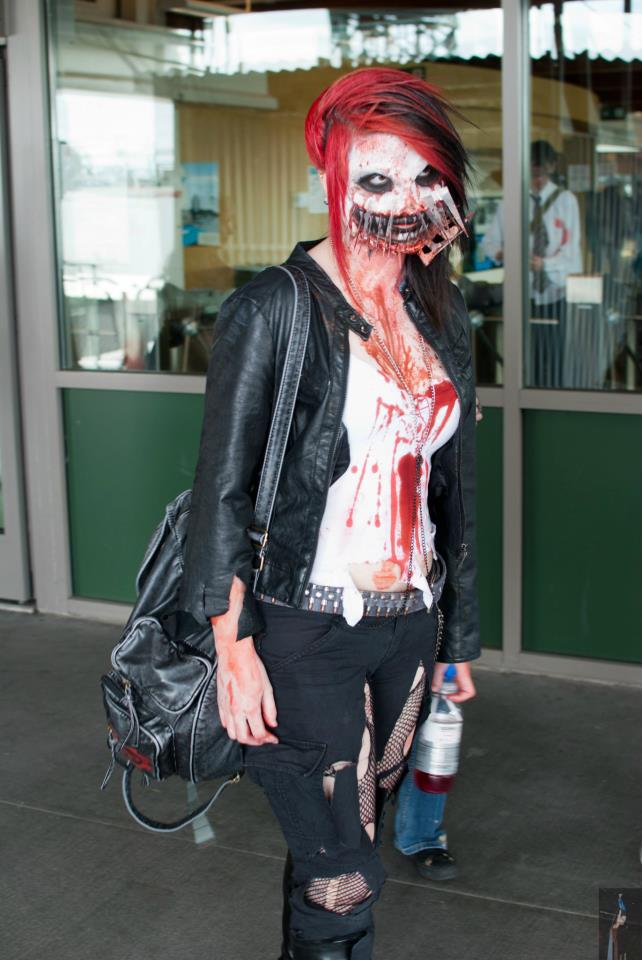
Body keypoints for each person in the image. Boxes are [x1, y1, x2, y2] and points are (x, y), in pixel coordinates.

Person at [180, 67, 481, 960]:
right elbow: (222, 492)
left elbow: (451, 490)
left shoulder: (439, 311)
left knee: (341, 841)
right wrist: (233, 651)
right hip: (304, 628)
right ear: (333, 179)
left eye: (426, 177)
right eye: (377, 178)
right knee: (341, 874)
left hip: (407, 626)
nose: (407, 200)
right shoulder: (273, 307)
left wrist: (457, 638)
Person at [481, 140, 582, 387]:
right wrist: (505, 254)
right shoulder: (511, 201)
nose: (538, 180)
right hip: (521, 294)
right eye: (534, 173)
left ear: (552, 167)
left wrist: (545, 264)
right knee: (523, 361)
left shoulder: (566, 201)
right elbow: (489, 244)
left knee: (555, 358)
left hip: (554, 293)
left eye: (542, 173)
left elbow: (572, 253)